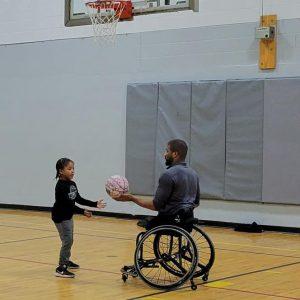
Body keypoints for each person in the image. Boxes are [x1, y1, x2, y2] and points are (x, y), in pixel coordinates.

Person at [111, 139, 200, 275]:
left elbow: (155, 205)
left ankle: (138, 265)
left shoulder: (168, 175)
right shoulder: (193, 174)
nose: (164, 154)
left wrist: (131, 198)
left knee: (143, 227)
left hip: (169, 221)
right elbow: (196, 202)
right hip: (187, 221)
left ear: (175, 154)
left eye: (167, 151)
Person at [52, 158, 106, 278]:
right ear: (61, 171)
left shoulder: (72, 184)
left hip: (68, 215)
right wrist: (83, 211)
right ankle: (61, 267)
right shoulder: (60, 186)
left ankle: (66, 260)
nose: (72, 171)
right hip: (60, 217)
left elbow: (78, 199)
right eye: (69, 169)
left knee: (68, 240)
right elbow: (67, 205)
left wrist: (94, 204)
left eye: (73, 168)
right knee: (68, 240)